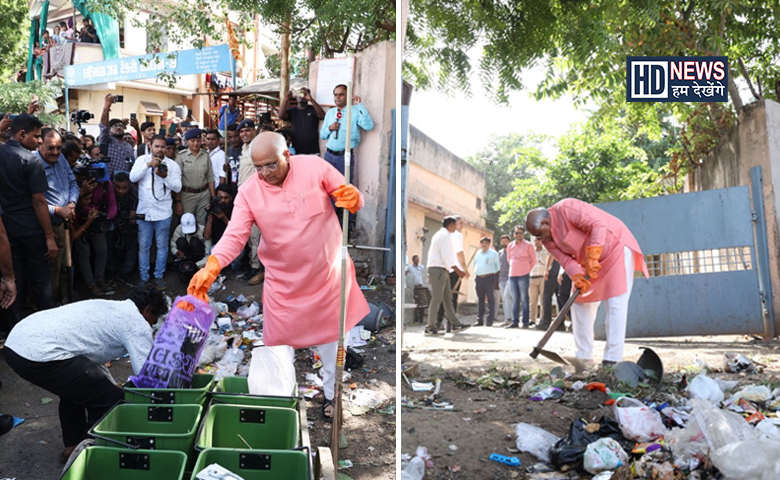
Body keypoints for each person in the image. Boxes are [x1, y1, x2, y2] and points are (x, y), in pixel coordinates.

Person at [187, 132, 369, 421]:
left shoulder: (314, 166)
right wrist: (212, 265)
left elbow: (345, 193)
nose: (264, 174)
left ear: (287, 156)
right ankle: (281, 404)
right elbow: (235, 235)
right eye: (258, 167)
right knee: (276, 349)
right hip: (284, 285)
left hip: (328, 278)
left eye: (270, 165)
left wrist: (354, 198)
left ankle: (332, 395)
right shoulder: (248, 191)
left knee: (333, 346)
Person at [3, 284, 168, 462]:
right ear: (147, 310)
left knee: (77, 390)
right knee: (111, 399)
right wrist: (165, 400)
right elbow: (147, 375)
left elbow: (92, 358)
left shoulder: (114, 307)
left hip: (17, 344)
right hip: (35, 352)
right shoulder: (136, 322)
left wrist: (108, 384)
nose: (152, 325)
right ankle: (90, 453)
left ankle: (72, 448)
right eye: (154, 319)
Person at [526, 199, 649, 366]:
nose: (539, 239)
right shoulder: (547, 240)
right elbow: (566, 260)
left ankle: (612, 360)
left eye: (540, 234)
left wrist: (593, 256)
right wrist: (577, 276)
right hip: (589, 263)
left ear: (546, 222)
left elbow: (597, 224)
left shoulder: (566, 208)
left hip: (616, 249)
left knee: (615, 304)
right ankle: (584, 359)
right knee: (579, 304)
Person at [0, 114, 57, 326]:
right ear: (22, 134)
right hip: (32, 230)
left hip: (6, 230)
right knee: (41, 281)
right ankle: (48, 326)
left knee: (14, 279)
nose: (40, 141)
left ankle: (13, 327)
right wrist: (50, 236)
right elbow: (39, 202)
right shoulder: (32, 160)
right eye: (36, 137)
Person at [130, 135, 182, 289]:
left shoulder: (172, 165)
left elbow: (178, 187)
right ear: (150, 146)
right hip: (144, 212)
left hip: (163, 213)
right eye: (157, 146)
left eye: (163, 147)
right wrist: (148, 165)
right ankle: (144, 278)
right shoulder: (141, 160)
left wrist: (164, 177)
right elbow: (132, 178)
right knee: (144, 246)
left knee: (162, 246)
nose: (160, 149)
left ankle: (159, 276)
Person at [36, 128, 78, 304]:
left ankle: (64, 302)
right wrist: (57, 209)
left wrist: (71, 203)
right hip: (45, 226)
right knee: (50, 271)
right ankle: (47, 307)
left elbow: (72, 182)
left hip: (64, 223)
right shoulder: (33, 163)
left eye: (59, 148)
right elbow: (34, 201)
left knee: (64, 268)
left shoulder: (61, 159)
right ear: (40, 144)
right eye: (50, 148)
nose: (55, 152)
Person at [72, 166, 117, 297]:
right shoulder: (83, 184)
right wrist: (89, 212)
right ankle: (90, 283)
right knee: (84, 252)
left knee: (102, 249)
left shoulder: (106, 184)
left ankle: (99, 279)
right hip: (82, 220)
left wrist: (106, 216)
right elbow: (78, 201)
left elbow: (112, 203)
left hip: (98, 220)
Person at [425, 216, 470, 335]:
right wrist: (458, 271)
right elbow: (447, 257)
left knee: (447, 299)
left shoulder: (441, 235)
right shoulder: (444, 236)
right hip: (439, 269)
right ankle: (430, 327)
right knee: (437, 299)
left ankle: (455, 324)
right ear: (450, 225)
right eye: (455, 225)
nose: (456, 227)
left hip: (443, 270)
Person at [319, 85, 374, 176]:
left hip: (344, 157)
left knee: (344, 185)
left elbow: (369, 126)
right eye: (335, 95)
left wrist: (360, 105)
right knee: (327, 183)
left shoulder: (355, 111)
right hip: (328, 155)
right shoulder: (330, 112)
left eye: (341, 94)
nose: (338, 97)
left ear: (348, 96)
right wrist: (330, 128)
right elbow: (322, 135)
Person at [235, 119, 264, 285]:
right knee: (247, 234)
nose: (244, 134)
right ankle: (252, 265)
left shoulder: (258, 148)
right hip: (244, 197)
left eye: (247, 130)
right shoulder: (245, 148)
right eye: (241, 132)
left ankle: (257, 269)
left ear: (254, 131)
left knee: (255, 236)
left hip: (255, 197)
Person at [174, 128, 215, 227]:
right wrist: (178, 201)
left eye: (198, 141)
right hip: (187, 196)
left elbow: (210, 177)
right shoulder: (181, 156)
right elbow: (177, 181)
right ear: (187, 142)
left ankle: (200, 242)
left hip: (204, 195)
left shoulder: (206, 155)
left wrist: (213, 198)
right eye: (192, 141)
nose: (196, 143)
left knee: (202, 224)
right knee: (187, 223)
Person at [106, 172, 138, 285]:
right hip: (110, 222)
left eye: (124, 188)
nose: (120, 190)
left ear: (129, 186)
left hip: (128, 224)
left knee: (131, 246)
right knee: (108, 246)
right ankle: (111, 271)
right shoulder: (108, 192)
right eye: (117, 187)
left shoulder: (133, 194)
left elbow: (133, 217)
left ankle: (126, 272)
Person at [437, 215, 466, 332]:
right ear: (453, 224)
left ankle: (439, 322)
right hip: (454, 271)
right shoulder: (457, 235)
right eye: (460, 223)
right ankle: (452, 324)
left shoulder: (442, 235)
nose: (462, 225)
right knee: (452, 297)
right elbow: (459, 253)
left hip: (444, 269)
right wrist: (464, 269)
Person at [279, 87, 325, 155]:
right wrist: (286, 98)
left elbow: (322, 115)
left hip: (313, 150)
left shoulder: (312, 109)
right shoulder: (292, 111)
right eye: (299, 94)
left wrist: (311, 100)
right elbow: (281, 116)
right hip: (297, 150)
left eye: (304, 94)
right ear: (296, 96)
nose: (301, 96)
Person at [506, 225, 535, 329]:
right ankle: (514, 322)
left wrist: (526, 269)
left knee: (524, 299)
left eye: (520, 233)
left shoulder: (528, 245)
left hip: (524, 275)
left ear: (523, 234)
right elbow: (509, 259)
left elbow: (533, 260)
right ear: (514, 234)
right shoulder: (510, 246)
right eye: (516, 233)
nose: (518, 235)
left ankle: (525, 322)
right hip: (512, 275)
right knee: (515, 299)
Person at [98, 95, 135, 176]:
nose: (118, 128)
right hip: (109, 181)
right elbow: (103, 126)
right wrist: (106, 107)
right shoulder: (107, 140)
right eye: (114, 126)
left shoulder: (128, 145)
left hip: (125, 182)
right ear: (109, 129)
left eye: (120, 126)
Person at [473, 237, 500, 327]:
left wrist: (489, 272)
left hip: (489, 278)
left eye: (485, 243)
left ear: (489, 244)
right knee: (480, 299)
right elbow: (474, 264)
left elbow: (497, 267)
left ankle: (489, 320)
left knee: (490, 299)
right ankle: (479, 320)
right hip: (479, 278)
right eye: (482, 243)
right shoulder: (477, 253)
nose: (483, 245)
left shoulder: (493, 254)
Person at [529, 237, 550, 326]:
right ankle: (532, 319)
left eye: (538, 240)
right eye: (535, 240)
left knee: (542, 300)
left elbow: (548, 263)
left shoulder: (546, 252)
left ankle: (542, 319)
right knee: (532, 300)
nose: (536, 242)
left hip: (542, 276)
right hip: (532, 276)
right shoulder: (531, 252)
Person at [497, 234, 514, 324]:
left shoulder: (513, 251)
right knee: (504, 298)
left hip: (511, 278)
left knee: (509, 297)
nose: (504, 242)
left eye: (506, 241)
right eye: (502, 241)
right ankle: (507, 318)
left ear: (509, 241)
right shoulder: (499, 253)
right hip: (501, 278)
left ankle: (512, 318)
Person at [407, 255, 429, 324]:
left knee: (422, 302)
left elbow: (422, 275)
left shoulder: (421, 267)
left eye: (418, 259)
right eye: (416, 259)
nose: (417, 260)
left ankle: (420, 319)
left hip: (420, 286)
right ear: (413, 260)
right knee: (415, 303)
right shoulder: (410, 268)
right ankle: (415, 319)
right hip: (413, 287)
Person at [225, 123, 242, 193]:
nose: (234, 139)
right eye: (230, 137)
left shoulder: (246, 149)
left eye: (236, 136)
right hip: (232, 184)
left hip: (244, 183)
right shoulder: (228, 151)